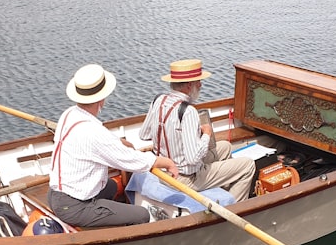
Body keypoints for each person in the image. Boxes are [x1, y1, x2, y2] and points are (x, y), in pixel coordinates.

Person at [48, 64, 179, 228]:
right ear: (101, 99)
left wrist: (120, 143)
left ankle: (104, 221)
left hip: (56, 194)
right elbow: (132, 161)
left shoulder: (69, 113)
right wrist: (166, 162)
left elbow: (102, 140)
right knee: (141, 215)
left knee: (110, 187)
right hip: (73, 206)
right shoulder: (92, 132)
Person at [139, 59, 256, 202]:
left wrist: (174, 135)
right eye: (198, 82)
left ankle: (223, 188)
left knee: (225, 147)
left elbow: (143, 135)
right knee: (248, 165)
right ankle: (234, 207)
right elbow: (192, 159)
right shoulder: (188, 111)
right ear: (189, 85)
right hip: (184, 179)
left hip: (161, 171)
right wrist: (206, 134)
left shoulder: (158, 100)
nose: (201, 85)